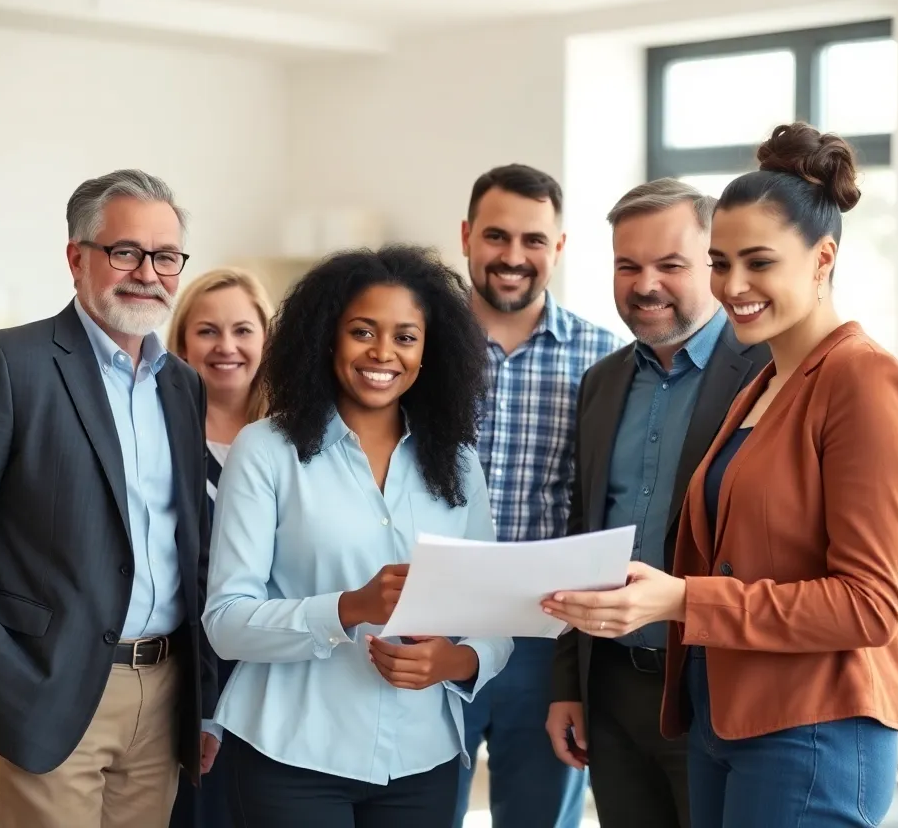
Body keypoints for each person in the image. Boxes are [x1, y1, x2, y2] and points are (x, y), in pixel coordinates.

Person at [541, 123, 898, 828]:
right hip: (724, 716)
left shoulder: (863, 381)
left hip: (813, 728)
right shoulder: (768, 384)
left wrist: (683, 600)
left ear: (822, 260)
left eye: (759, 263)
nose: (734, 287)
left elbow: (870, 605)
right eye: (721, 263)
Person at [0, 169, 221, 828]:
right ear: (77, 258)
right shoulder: (10, 366)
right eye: (125, 252)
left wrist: (202, 691)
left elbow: (189, 545)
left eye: (165, 256)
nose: (148, 273)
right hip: (47, 686)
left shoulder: (181, 387)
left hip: (163, 691)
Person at [202, 245, 514, 828]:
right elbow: (225, 622)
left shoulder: (459, 465)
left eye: (405, 337)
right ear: (327, 338)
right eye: (362, 331)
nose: (382, 353)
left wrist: (459, 660)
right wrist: (350, 608)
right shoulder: (266, 452)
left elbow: (491, 617)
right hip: (290, 754)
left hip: (422, 759)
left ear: (430, 351)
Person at [546, 178, 770, 828]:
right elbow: (580, 534)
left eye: (670, 265)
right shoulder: (602, 382)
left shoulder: (764, 375)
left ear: (714, 266)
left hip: (711, 688)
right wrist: (570, 686)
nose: (645, 284)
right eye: (627, 265)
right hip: (611, 687)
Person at [455, 163, 624, 828]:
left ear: (558, 248)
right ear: (467, 236)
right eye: (496, 236)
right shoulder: (416, 348)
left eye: (533, 240)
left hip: (548, 638)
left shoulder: (604, 359)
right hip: (433, 627)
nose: (512, 257)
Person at [165, 267, 273, 828]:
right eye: (207, 331)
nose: (226, 346)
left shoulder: (296, 440)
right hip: (185, 671)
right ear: (182, 342)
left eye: (242, 330)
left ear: (266, 339)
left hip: (276, 668)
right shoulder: (156, 435)